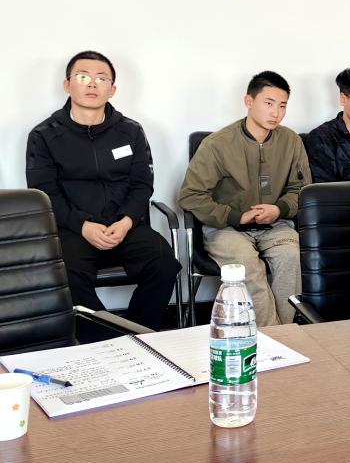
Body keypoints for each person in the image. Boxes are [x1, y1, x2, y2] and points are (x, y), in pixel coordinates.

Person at [25, 50, 180, 331]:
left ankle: (138, 333)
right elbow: (44, 194)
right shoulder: (44, 135)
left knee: (164, 263)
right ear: (67, 85)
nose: (92, 84)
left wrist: (126, 221)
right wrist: (83, 226)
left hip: (124, 226)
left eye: (101, 78)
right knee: (66, 276)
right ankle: (105, 340)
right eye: (83, 77)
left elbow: (142, 184)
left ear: (112, 89)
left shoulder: (131, 131)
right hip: (74, 230)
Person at [178, 71, 309, 326]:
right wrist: (236, 216)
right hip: (226, 228)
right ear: (249, 101)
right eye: (269, 103)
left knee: (291, 257)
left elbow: (302, 189)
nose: (276, 113)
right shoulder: (217, 144)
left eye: (282, 106)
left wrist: (279, 209)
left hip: (275, 225)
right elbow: (191, 195)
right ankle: (272, 336)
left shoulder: (291, 141)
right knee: (247, 266)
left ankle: (285, 335)